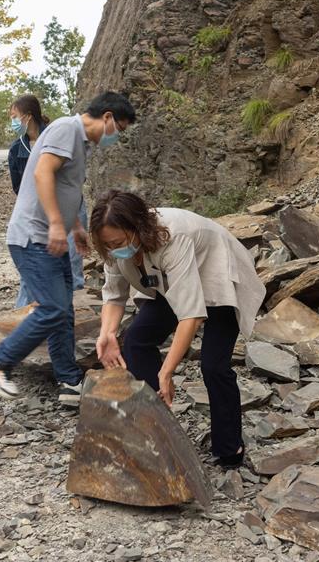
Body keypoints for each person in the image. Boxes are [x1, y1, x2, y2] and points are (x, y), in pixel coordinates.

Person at [89, 190, 266, 468]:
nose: (113, 250)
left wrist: (167, 372)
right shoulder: (113, 247)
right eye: (107, 245)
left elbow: (190, 316)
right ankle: (155, 429)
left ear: (137, 229)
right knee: (136, 340)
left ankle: (230, 449)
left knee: (213, 365)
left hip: (216, 273)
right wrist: (107, 333)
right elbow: (113, 296)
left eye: (119, 242)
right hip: (171, 282)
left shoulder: (172, 237)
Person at [0, 91, 136, 403]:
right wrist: (54, 222)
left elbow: (69, 188)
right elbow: (42, 172)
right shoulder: (67, 129)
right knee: (51, 308)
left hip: (52, 237)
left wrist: (75, 227)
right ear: (106, 117)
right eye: (119, 127)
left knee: (62, 311)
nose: (117, 135)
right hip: (33, 236)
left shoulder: (81, 144)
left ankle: (68, 380)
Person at [6, 94, 84, 306]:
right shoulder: (17, 148)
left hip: (68, 211)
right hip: (38, 215)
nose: (13, 122)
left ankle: (73, 311)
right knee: (32, 273)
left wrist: (74, 223)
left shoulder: (55, 137)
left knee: (70, 265)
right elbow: (19, 186)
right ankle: (23, 317)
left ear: (28, 117)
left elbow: (69, 182)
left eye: (15, 116)